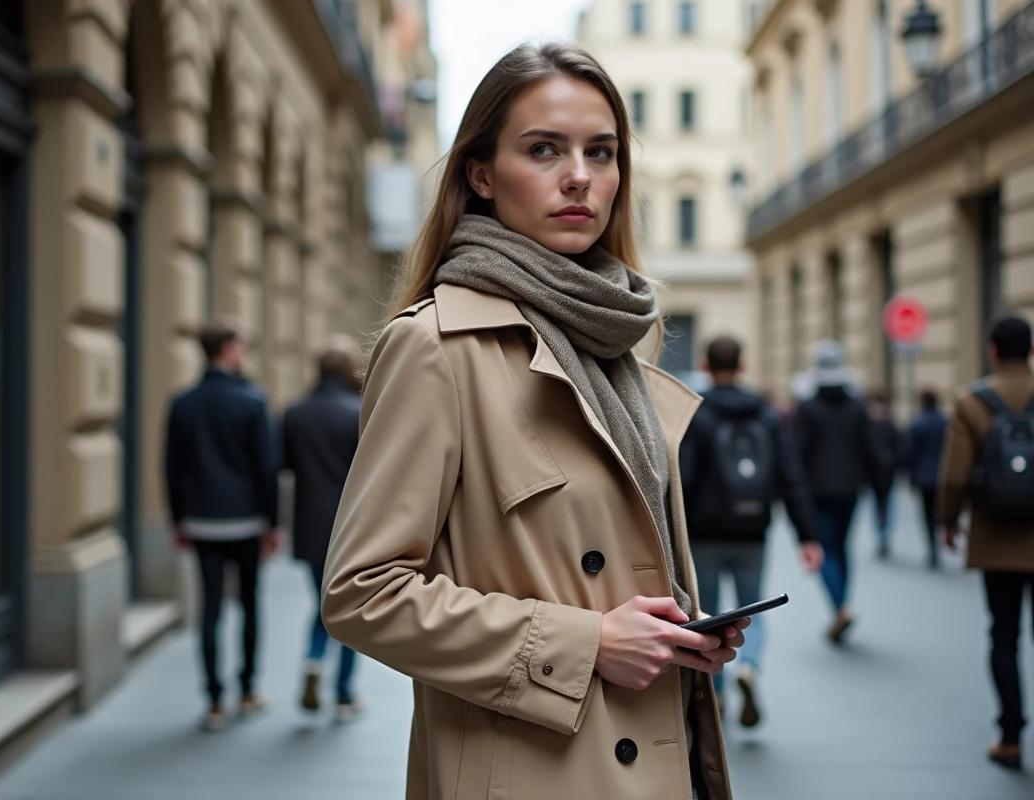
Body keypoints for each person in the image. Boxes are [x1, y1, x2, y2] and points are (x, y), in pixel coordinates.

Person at [321, 43, 748, 800]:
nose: (580, 174)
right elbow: (363, 592)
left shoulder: (615, 345)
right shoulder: (436, 349)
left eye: (602, 151)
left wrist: (676, 631)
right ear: (480, 175)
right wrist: (585, 645)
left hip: (656, 759)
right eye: (544, 149)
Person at [681, 335, 823, 729]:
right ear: (742, 367)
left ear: (705, 366)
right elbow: (791, 477)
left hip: (705, 533)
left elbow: (684, 477)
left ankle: (719, 692)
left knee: (708, 616)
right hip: (753, 532)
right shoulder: (767, 414)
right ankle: (752, 669)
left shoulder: (696, 413)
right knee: (753, 611)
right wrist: (807, 536)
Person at [164, 319, 282, 731]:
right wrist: (273, 522)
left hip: (203, 520)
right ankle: (247, 692)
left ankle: (213, 700)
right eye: (243, 345)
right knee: (249, 604)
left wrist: (178, 519)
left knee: (209, 609)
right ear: (229, 349)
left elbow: (172, 469)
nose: (245, 352)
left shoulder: (183, 403)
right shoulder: (252, 401)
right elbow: (266, 469)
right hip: (247, 520)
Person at [940, 314, 1034, 770]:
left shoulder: (973, 402)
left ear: (993, 351)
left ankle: (1011, 736)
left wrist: (947, 521)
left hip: (997, 537)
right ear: (1031, 351)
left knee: (1004, 635)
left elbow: (955, 475)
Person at [281, 337, 365, 721]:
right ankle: (344, 695)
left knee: (322, 603)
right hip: (351, 528)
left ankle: (313, 660)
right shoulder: (359, 413)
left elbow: (282, 467)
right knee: (350, 608)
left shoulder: (295, 414)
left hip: (310, 527)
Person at [794, 340, 877, 644]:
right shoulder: (856, 406)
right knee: (842, 547)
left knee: (823, 547)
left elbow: (798, 452)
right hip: (851, 488)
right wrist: (881, 490)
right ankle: (843, 605)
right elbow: (871, 449)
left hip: (817, 490)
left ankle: (840, 605)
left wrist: (793, 492)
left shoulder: (808, 407)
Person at [900, 388, 947, 569]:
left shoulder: (918, 424)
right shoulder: (945, 422)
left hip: (923, 477)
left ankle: (932, 547)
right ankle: (939, 541)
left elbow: (909, 452)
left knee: (927, 514)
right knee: (939, 510)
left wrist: (906, 472)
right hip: (942, 476)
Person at [865, 388, 901, 560]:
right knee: (887, 504)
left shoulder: (869, 424)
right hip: (887, 471)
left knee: (878, 505)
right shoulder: (889, 423)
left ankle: (882, 536)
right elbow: (899, 446)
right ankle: (884, 536)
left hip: (875, 472)